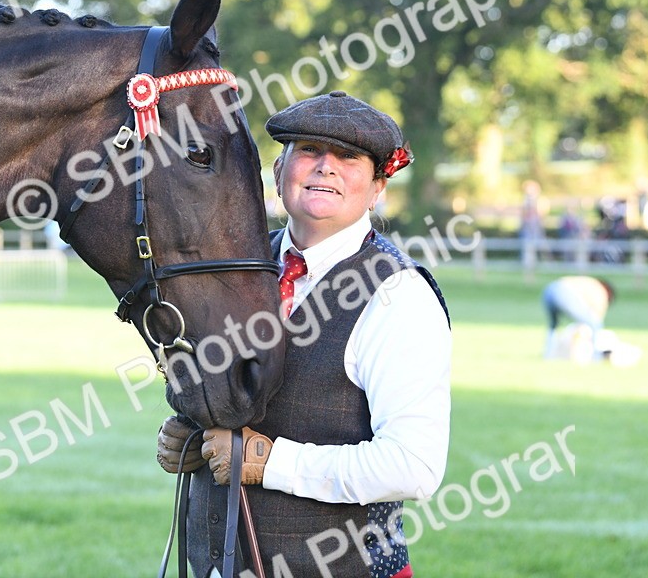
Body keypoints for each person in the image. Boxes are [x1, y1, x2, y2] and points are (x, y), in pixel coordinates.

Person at [156, 91, 452, 578]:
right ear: (279, 171)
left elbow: (413, 465)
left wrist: (269, 462)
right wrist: (193, 430)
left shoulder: (399, 294)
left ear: (378, 188)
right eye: (309, 150)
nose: (325, 168)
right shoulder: (236, 269)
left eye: (349, 157)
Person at [541, 275, 614, 360]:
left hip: (549, 290)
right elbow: (596, 318)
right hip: (563, 292)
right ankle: (596, 356)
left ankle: (548, 355)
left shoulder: (590, 282)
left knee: (553, 326)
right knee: (595, 324)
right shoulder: (601, 292)